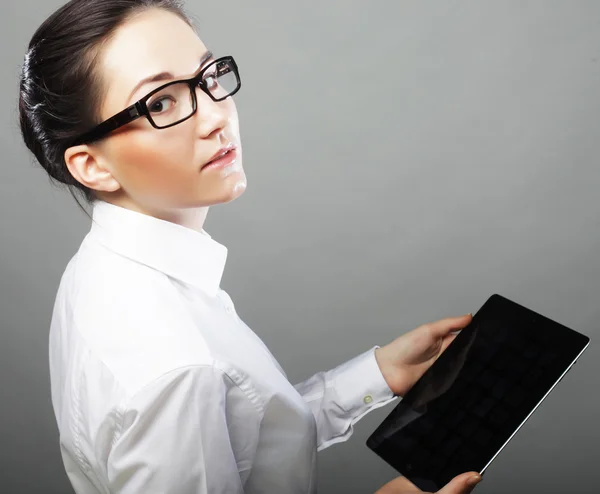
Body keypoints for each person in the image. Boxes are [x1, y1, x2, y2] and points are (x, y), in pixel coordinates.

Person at [18, 1, 483, 493]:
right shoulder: (178, 365)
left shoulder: (102, 267)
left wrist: (378, 375)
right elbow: (189, 394)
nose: (216, 116)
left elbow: (240, 440)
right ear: (92, 166)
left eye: (207, 77)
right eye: (160, 103)